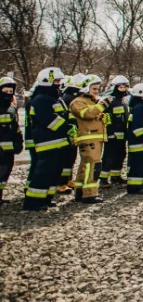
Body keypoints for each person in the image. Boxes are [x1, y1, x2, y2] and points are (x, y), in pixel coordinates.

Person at [24, 67, 69, 211]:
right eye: (56, 81)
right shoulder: (41, 99)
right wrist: (68, 127)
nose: (59, 84)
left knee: (54, 173)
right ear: (46, 82)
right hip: (47, 143)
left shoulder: (53, 98)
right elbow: (49, 120)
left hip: (58, 142)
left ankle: (46, 199)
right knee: (44, 172)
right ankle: (33, 202)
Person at [69, 74, 108, 204]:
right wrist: (101, 106)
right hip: (88, 138)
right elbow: (87, 114)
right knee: (93, 166)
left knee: (85, 166)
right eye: (94, 89)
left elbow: (95, 116)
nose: (97, 91)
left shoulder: (91, 101)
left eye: (97, 89)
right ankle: (90, 194)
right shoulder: (78, 102)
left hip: (95, 138)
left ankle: (80, 191)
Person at [102, 75, 130, 187]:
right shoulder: (109, 100)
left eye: (125, 87)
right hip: (112, 134)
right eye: (121, 87)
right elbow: (105, 118)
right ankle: (103, 179)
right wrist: (109, 133)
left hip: (122, 134)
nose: (123, 90)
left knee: (121, 154)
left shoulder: (124, 101)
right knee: (109, 156)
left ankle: (116, 176)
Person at [0, 77, 24, 205]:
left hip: (9, 148)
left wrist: (19, 141)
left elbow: (15, 126)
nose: (8, 94)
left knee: (5, 172)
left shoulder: (12, 107)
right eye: (5, 90)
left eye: (10, 91)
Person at [58, 74, 84, 194]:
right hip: (69, 134)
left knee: (71, 159)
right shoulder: (70, 98)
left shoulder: (69, 96)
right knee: (66, 159)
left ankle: (67, 180)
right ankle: (61, 182)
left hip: (72, 133)